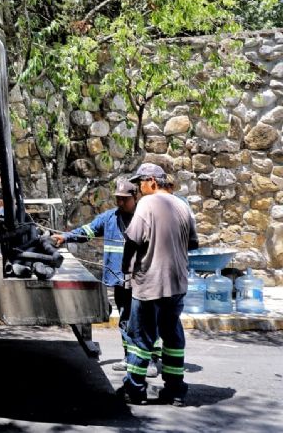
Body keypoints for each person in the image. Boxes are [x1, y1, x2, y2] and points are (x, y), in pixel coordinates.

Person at [51, 179, 154, 375]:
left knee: (143, 320)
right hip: (119, 280)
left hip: (141, 280)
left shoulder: (145, 219)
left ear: (135, 197)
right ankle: (129, 358)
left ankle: (147, 360)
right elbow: (87, 232)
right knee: (125, 319)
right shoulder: (109, 218)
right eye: (118, 199)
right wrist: (66, 236)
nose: (121, 203)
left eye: (125, 199)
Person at [118, 163, 198, 406]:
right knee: (172, 337)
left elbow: (132, 241)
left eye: (140, 183)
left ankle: (135, 389)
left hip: (149, 283)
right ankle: (175, 391)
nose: (138, 189)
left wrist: (126, 269)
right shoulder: (183, 206)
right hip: (176, 285)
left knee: (141, 338)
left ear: (152, 180)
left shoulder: (147, 204)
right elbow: (193, 243)